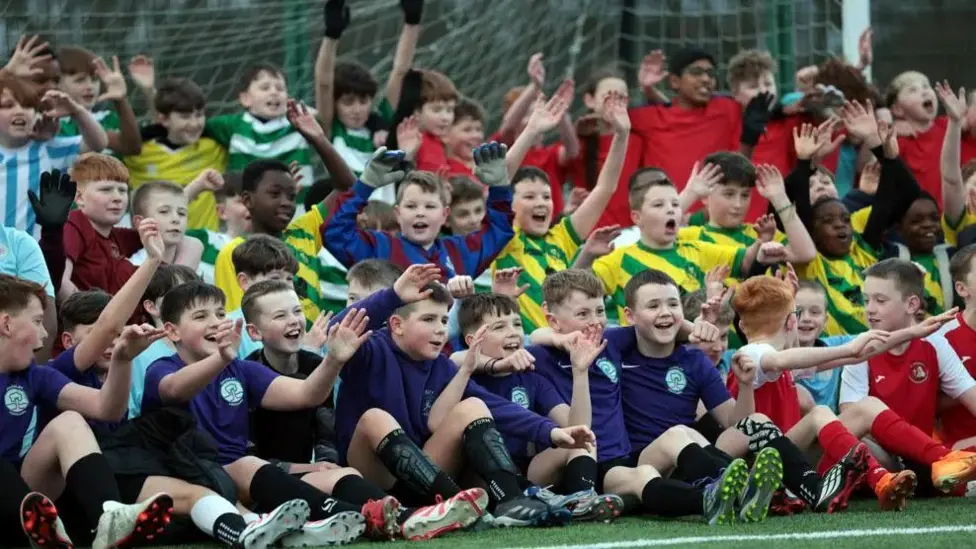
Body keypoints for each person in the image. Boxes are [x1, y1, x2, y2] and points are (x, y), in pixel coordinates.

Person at [331, 264, 595, 526]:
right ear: (397, 325)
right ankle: (460, 505)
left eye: (445, 320)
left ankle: (511, 500)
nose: (440, 329)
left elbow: (496, 406)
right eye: (428, 319)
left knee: (474, 405)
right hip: (373, 479)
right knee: (375, 418)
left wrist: (549, 432)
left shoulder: (442, 365)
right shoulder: (370, 351)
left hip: (425, 477)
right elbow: (337, 333)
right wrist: (394, 295)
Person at [0, 271, 173, 549]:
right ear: (6, 324)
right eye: (36, 321)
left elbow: (106, 408)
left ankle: (109, 518)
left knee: (69, 421)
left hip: (26, 499)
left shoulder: (35, 375)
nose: (44, 335)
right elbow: (105, 325)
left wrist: (124, 358)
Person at [452, 293, 625, 522]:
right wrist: (497, 365)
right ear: (473, 339)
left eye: (516, 323)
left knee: (579, 439)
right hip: (482, 477)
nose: (513, 332)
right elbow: (454, 359)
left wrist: (580, 372)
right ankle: (522, 502)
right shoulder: (464, 377)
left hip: (528, 471)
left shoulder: (532, 378)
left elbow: (576, 427)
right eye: (499, 327)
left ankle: (581, 501)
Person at [492, 90, 630, 333]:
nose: (541, 202)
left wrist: (622, 133)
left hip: (569, 347)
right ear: (510, 206)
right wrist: (532, 131)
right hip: (526, 350)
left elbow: (604, 189)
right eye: (529, 196)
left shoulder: (562, 237)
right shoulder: (506, 239)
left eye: (546, 196)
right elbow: (500, 179)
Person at [838, 258, 976, 497]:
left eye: (880, 300)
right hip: (878, 456)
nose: (869, 308)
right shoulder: (860, 347)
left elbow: (972, 396)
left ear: (912, 304)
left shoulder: (934, 344)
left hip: (920, 457)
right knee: (861, 438)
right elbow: (853, 422)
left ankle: (944, 473)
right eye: (866, 300)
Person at [324, 144, 515, 281]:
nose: (420, 213)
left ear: (445, 214)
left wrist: (499, 186)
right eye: (411, 206)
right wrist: (365, 185)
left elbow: (498, 231)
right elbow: (335, 234)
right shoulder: (380, 248)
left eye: (430, 206)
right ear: (397, 213)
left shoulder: (459, 251)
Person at [0, 70, 107, 236]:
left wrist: (76, 110)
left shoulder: (49, 149)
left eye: (28, 106)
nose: (20, 111)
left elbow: (98, 143)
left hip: (38, 256)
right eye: (7, 105)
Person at [123, 77, 228, 231]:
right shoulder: (139, 155)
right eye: (185, 117)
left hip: (204, 244)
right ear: (164, 119)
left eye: (199, 115)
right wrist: (148, 91)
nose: (194, 123)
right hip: (156, 244)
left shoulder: (212, 149)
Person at [54, 46, 142, 156]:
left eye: (95, 79)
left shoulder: (106, 119)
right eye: (80, 80)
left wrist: (120, 100)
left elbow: (133, 148)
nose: (90, 86)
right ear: (56, 84)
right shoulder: (52, 125)